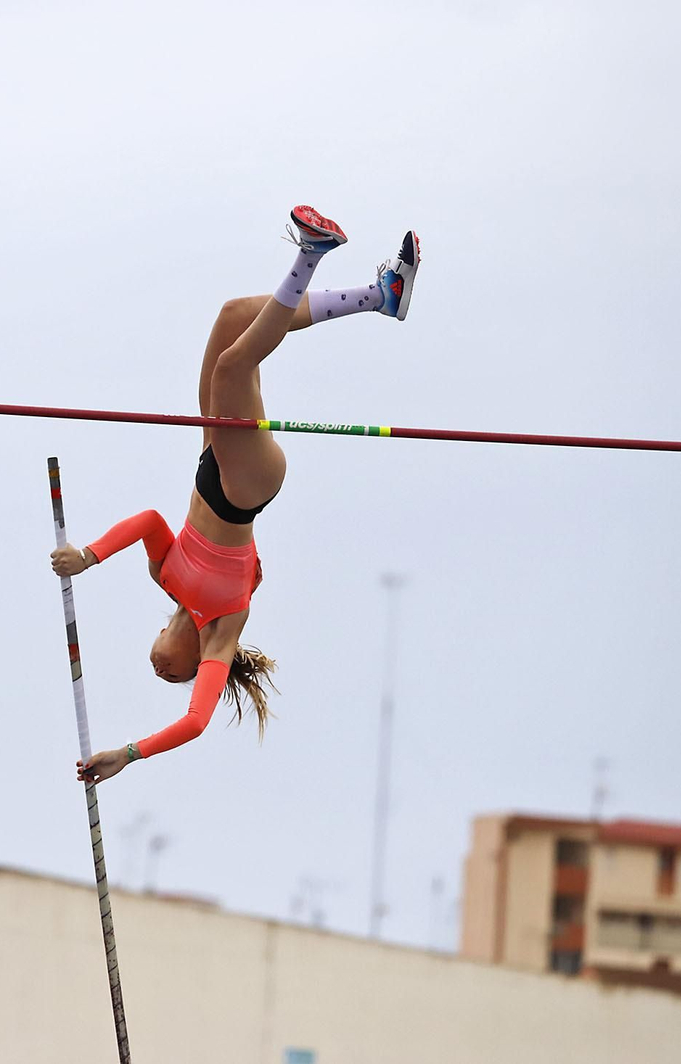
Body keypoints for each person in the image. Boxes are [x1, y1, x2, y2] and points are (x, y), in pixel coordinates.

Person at [51, 206, 419, 784]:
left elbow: (148, 520)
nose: (159, 669)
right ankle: (311, 254)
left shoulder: (165, 577)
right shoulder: (224, 628)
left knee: (229, 321)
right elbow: (195, 725)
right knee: (232, 365)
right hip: (244, 488)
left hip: (210, 461)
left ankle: (382, 296)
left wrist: (89, 556)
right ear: (195, 668)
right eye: (171, 678)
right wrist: (127, 754)